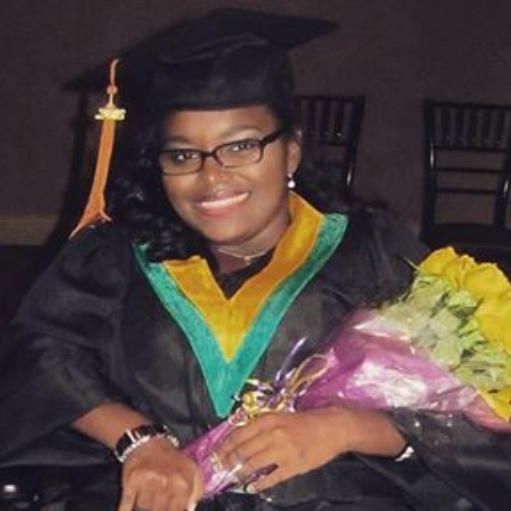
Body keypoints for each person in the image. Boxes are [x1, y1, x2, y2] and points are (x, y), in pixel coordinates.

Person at [1, 8, 510, 511]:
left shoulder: (372, 253)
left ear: (291, 151)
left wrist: (345, 428)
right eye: (182, 155)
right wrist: (137, 439)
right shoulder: (117, 256)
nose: (211, 177)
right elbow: (40, 357)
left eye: (241, 146)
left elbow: (481, 412)